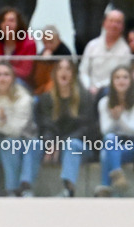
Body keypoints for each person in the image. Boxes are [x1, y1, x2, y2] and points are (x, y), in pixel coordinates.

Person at [35, 58, 97, 197]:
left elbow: (86, 129)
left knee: (72, 144)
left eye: (68, 69)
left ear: (73, 74)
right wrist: (50, 142)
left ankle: (68, 189)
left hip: (80, 147)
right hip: (54, 146)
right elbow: (45, 125)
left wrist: (61, 143)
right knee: (33, 144)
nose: (64, 72)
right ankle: (24, 188)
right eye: (60, 68)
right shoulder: (46, 98)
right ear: (55, 74)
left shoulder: (84, 97)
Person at [0, 61, 37, 196]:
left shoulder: (23, 97)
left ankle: (12, 189)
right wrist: (0, 122)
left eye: (6, 74)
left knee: (9, 142)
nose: (2, 78)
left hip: (23, 139)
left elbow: (16, 131)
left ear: (13, 78)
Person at [95, 66, 134, 197]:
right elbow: (105, 130)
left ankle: (105, 187)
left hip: (132, 145)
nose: (121, 81)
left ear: (130, 81)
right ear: (112, 81)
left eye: (125, 77)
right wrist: (115, 119)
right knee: (109, 140)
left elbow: (133, 130)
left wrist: (119, 117)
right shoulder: (104, 102)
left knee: (106, 154)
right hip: (112, 142)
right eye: (117, 78)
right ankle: (117, 175)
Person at [78, 9, 131, 98]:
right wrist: (89, 87)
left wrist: (99, 88)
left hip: (111, 91)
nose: (114, 25)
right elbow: (83, 71)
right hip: (88, 89)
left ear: (122, 26)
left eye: (118, 22)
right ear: (104, 23)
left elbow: (121, 75)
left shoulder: (126, 50)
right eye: (111, 21)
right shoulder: (92, 45)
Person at [0, 6, 38, 88]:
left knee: (18, 84)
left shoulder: (29, 43)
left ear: (18, 24)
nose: (7, 24)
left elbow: (26, 72)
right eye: (3, 21)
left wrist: (4, 69)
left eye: (11, 21)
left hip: (20, 80)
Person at [31, 25, 72, 96]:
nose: (48, 45)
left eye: (50, 42)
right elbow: (37, 78)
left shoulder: (65, 53)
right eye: (45, 42)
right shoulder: (43, 53)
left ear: (58, 40)